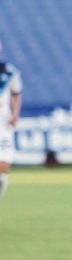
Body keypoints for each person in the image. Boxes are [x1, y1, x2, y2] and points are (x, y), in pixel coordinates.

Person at [0, 40, 23, 199]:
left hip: (2, 121)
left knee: (3, 164)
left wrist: (15, 114)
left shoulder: (9, 72)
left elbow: (16, 93)